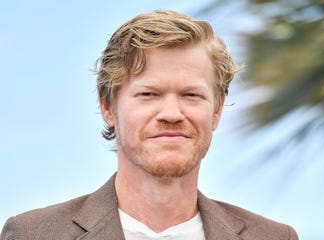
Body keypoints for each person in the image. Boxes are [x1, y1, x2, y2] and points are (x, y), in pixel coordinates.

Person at [0, 10, 298, 240]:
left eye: (191, 95)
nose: (171, 113)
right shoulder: (31, 234)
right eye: (148, 94)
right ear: (107, 107)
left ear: (217, 111)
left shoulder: (274, 237)